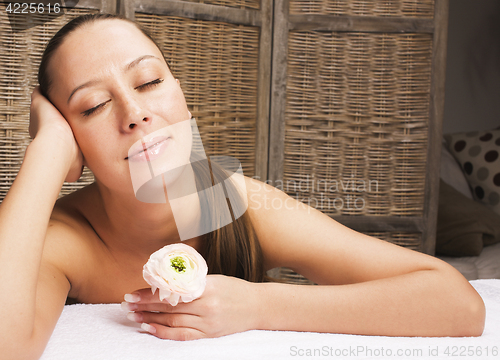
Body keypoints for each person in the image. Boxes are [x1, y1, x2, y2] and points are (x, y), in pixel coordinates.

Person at [0, 13, 485, 360]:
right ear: (74, 144)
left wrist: (256, 305)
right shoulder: (65, 238)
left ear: (182, 97)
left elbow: (457, 304)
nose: (136, 114)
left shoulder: (232, 202)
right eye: (92, 107)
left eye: (148, 81)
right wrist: (45, 151)